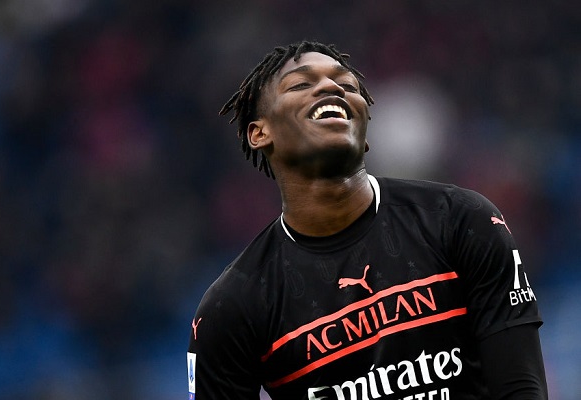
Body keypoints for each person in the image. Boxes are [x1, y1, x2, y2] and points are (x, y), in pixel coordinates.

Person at [187, 41, 548, 400]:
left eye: (346, 84)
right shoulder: (234, 305)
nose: (331, 87)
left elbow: (521, 389)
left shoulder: (461, 221)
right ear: (259, 133)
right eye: (301, 84)